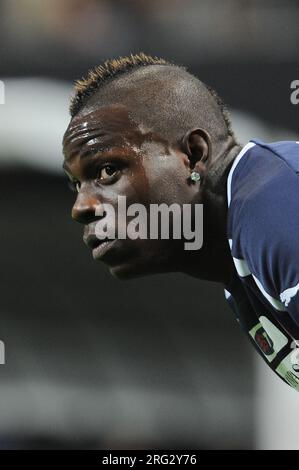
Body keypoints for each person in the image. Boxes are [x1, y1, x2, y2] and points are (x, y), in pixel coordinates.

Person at [62, 53, 299, 391]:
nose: (81, 207)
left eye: (107, 170)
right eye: (76, 184)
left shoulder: (276, 202)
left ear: (194, 154)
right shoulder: (239, 254)